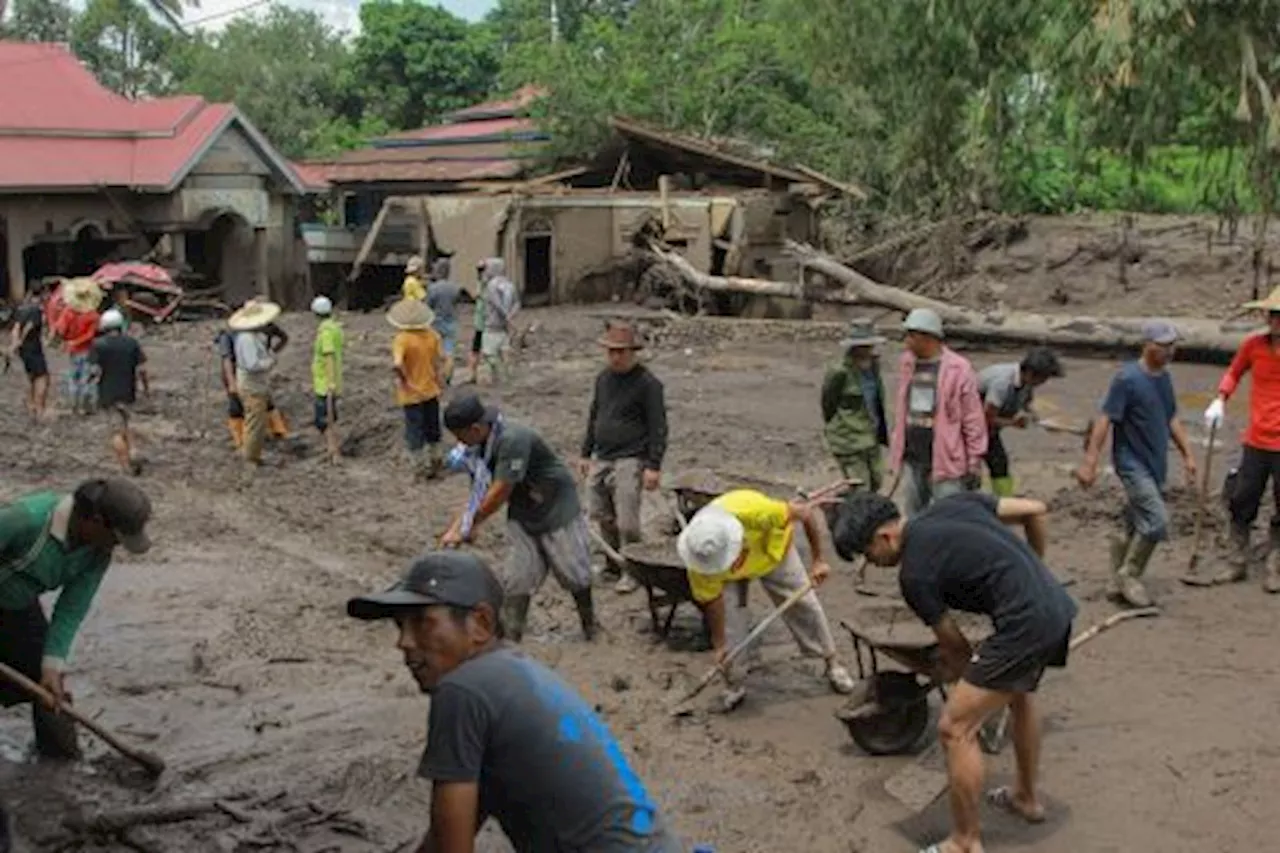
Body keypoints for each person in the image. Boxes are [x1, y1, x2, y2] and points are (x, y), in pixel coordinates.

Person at [346, 551, 682, 852]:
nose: (404, 642)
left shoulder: (463, 690)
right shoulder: (511, 673)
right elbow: (448, 831)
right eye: (399, 625)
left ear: (480, 623)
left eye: (422, 622)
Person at [831, 491, 1077, 853]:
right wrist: (1036, 571)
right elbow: (1035, 510)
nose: (870, 563)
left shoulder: (915, 575)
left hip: (1024, 624)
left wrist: (955, 676)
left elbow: (956, 647)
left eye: (867, 554)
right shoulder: (952, 504)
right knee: (1020, 696)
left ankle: (964, 842)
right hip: (1053, 604)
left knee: (955, 728)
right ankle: (1025, 797)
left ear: (884, 537)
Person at [0, 478, 153, 761]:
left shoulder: (97, 555)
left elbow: (71, 610)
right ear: (94, 522)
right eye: (117, 537)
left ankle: (61, 763)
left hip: (17, 605)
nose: (116, 546)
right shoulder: (25, 520)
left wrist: (52, 667)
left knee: (47, 688)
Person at [676, 489, 856, 710]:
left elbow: (806, 514)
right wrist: (720, 643)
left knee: (805, 605)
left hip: (774, 551)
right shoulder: (700, 558)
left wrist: (818, 560)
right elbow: (713, 602)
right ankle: (734, 683)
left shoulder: (755, 511)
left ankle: (832, 663)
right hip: (731, 574)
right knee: (732, 626)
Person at [440, 394, 597, 642]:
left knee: (573, 572)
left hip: (555, 505)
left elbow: (500, 490)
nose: (460, 443)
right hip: (524, 509)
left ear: (476, 428)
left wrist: (472, 523)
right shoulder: (479, 448)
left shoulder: (513, 439)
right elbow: (478, 492)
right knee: (517, 577)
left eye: (461, 436)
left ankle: (590, 626)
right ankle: (511, 639)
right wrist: (458, 526)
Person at [1077, 320, 1197, 607]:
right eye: (1164, 345)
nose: (1170, 351)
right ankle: (1129, 575)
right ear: (1147, 345)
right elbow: (1105, 419)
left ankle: (1114, 580)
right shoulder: (1126, 379)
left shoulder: (1164, 378)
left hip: (1156, 462)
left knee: (1134, 522)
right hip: (1131, 463)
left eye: (1172, 345)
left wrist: (1188, 454)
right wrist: (1090, 461)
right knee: (1156, 522)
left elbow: (1171, 418)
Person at [579, 320, 668, 595]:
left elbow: (658, 426)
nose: (615, 357)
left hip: (631, 457)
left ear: (633, 352)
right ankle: (613, 565)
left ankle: (634, 570)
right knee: (602, 514)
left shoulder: (648, 384)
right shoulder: (603, 379)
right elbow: (595, 414)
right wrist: (585, 452)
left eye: (621, 352)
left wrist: (653, 465)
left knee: (627, 521)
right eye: (611, 351)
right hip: (603, 456)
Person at [1202, 286, 1280, 590]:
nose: (1276, 321)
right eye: (1273, 315)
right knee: (1243, 498)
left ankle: (1276, 565)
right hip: (1257, 439)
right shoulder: (1253, 346)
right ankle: (1237, 560)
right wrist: (1220, 398)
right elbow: (1233, 373)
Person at [888, 308, 987, 516]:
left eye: (911, 336)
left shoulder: (958, 369)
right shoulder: (907, 363)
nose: (906, 341)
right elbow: (902, 406)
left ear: (927, 338)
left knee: (949, 513)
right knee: (915, 514)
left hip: (946, 456)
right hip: (914, 453)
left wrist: (974, 459)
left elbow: (972, 417)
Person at [977, 348, 1064, 497]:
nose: (1043, 383)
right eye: (1043, 379)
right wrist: (1012, 423)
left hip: (989, 429)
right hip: (970, 427)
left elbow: (1026, 404)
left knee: (999, 464)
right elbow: (986, 418)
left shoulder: (1025, 382)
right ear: (1030, 373)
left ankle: (1004, 501)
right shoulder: (1002, 383)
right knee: (970, 469)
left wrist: (1041, 421)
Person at [821, 319, 889, 491]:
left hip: (870, 435)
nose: (866, 350)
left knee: (877, 481)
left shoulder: (874, 366)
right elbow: (828, 402)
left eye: (869, 345)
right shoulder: (839, 372)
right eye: (862, 346)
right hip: (848, 439)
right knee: (861, 488)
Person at [215, 306, 290, 451]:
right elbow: (227, 360)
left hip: (258, 372)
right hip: (239, 371)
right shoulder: (230, 334)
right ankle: (241, 440)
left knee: (266, 400)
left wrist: (271, 354)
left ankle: (276, 431)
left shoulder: (266, 327)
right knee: (236, 405)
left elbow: (283, 337)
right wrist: (232, 383)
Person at [389, 298, 447, 479]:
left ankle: (419, 468)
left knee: (414, 430)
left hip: (411, 394)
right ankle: (436, 461)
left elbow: (397, 364)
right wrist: (439, 380)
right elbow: (441, 360)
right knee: (433, 427)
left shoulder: (402, 339)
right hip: (431, 389)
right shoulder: (433, 336)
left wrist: (404, 380)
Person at [89, 309, 149, 476]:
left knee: (115, 431)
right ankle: (134, 450)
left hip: (108, 392)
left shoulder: (98, 345)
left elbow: (94, 370)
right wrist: (146, 388)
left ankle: (124, 466)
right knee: (126, 423)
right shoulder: (132, 343)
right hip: (128, 390)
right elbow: (142, 369)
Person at [228, 300, 284, 473]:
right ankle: (250, 458)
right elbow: (253, 365)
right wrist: (270, 361)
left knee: (257, 422)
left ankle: (254, 454)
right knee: (254, 423)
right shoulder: (247, 339)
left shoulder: (251, 337)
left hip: (255, 384)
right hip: (252, 385)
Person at [52, 277, 102, 415]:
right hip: (88, 350)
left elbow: (61, 330)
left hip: (73, 350)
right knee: (87, 378)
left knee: (74, 377)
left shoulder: (68, 312)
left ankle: (74, 405)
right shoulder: (93, 316)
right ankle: (86, 406)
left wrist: (68, 341)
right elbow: (91, 335)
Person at [310, 296, 344, 461]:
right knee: (329, 418)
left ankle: (334, 449)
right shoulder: (335, 328)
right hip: (332, 380)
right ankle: (332, 448)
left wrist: (330, 382)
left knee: (324, 419)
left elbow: (329, 356)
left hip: (325, 382)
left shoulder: (326, 333)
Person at [9, 284, 49, 420]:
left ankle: (31, 405)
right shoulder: (36, 310)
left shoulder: (22, 309)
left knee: (32, 377)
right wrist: (22, 339)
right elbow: (29, 326)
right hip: (33, 348)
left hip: (23, 350)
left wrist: (15, 344)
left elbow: (16, 327)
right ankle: (39, 408)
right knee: (42, 377)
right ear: (43, 294)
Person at [479, 257, 519, 384]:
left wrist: (506, 316)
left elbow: (496, 304)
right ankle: (507, 377)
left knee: (488, 354)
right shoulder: (510, 285)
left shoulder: (491, 285)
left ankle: (494, 378)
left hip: (491, 324)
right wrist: (511, 316)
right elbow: (517, 303)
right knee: (504, 351)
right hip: (504, 327)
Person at [427, 257, 463, 385]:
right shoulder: (455, 288)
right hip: (451, 322)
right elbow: (457, 303)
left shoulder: (432, 288)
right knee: (449, 352)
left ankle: (435, 377)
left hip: (436, 322)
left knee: (434, 352)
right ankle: (448, 377)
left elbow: (428, 306)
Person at [466, 260, 486, 385]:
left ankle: (473, 374)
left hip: (481, 321)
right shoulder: (488, 283)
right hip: (487, 321)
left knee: (476, 348)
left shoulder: (481, 283)